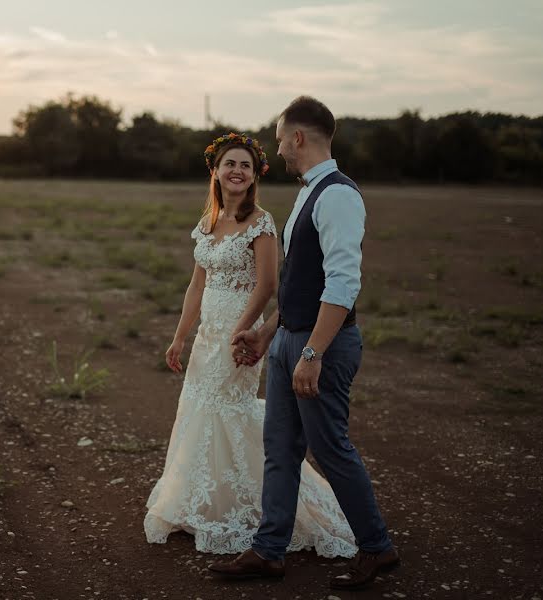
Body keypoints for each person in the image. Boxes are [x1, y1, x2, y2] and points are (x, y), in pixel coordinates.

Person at [208, 96, 399, 591]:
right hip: (289, 340)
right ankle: (269, 551)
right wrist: (266, 332)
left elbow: (342, 285)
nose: (277, 151)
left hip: (323, 347)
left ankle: (377, 548)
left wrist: (312, 353)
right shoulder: (308, 194)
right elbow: (296, 281)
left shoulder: (337, 195)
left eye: (279, 140)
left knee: (330, 448)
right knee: (280, 449)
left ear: (298, 137)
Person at [143, 132, 357, 559]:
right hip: (207, 334)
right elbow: (196, 284)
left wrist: (243, 330)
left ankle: (265, 510)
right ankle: (204, 503)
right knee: (202, 409)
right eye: (229, 164)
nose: (236, 171)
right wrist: (181, 335)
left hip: (242, 332)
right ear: (216, 172)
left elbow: (268, 286)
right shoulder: (207, 223)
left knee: (232, 408)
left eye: (244, 164)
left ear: (254, 173)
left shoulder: (261, 221)